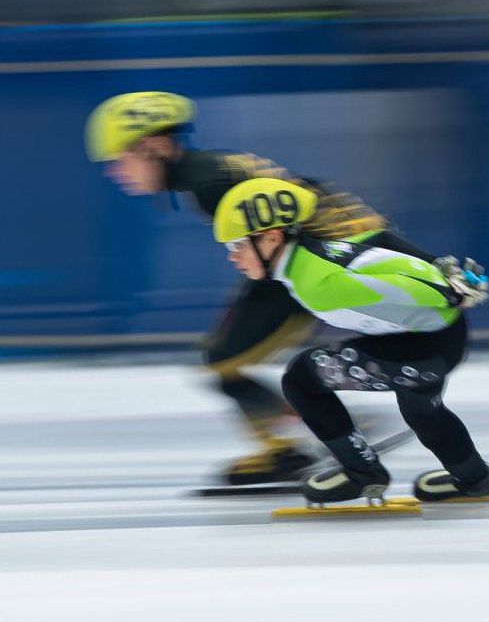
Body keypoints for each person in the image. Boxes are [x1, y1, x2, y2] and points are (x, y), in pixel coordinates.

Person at [87, 91, 387, 487]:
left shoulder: (208, 183)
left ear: (154, 147)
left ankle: (324, 432)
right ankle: (294, 440)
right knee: (221, 359)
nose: (114, 171)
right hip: (319, 255)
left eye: (119, 159)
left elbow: (284, 229)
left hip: (318, 261)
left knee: (223, 361)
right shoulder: (207, 174)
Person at [210, 176, 489, 504]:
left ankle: (363, 473)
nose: (232, 257)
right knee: (421, 410)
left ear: (271, 238)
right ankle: (475, 478)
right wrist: (440, 270)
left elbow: (395, 287)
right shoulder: (314, 251)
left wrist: (448, 292)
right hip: (430, 338)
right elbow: (379, 238)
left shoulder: (318, 283)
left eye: (237, 245)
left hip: (423, 347)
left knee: (302, 379)